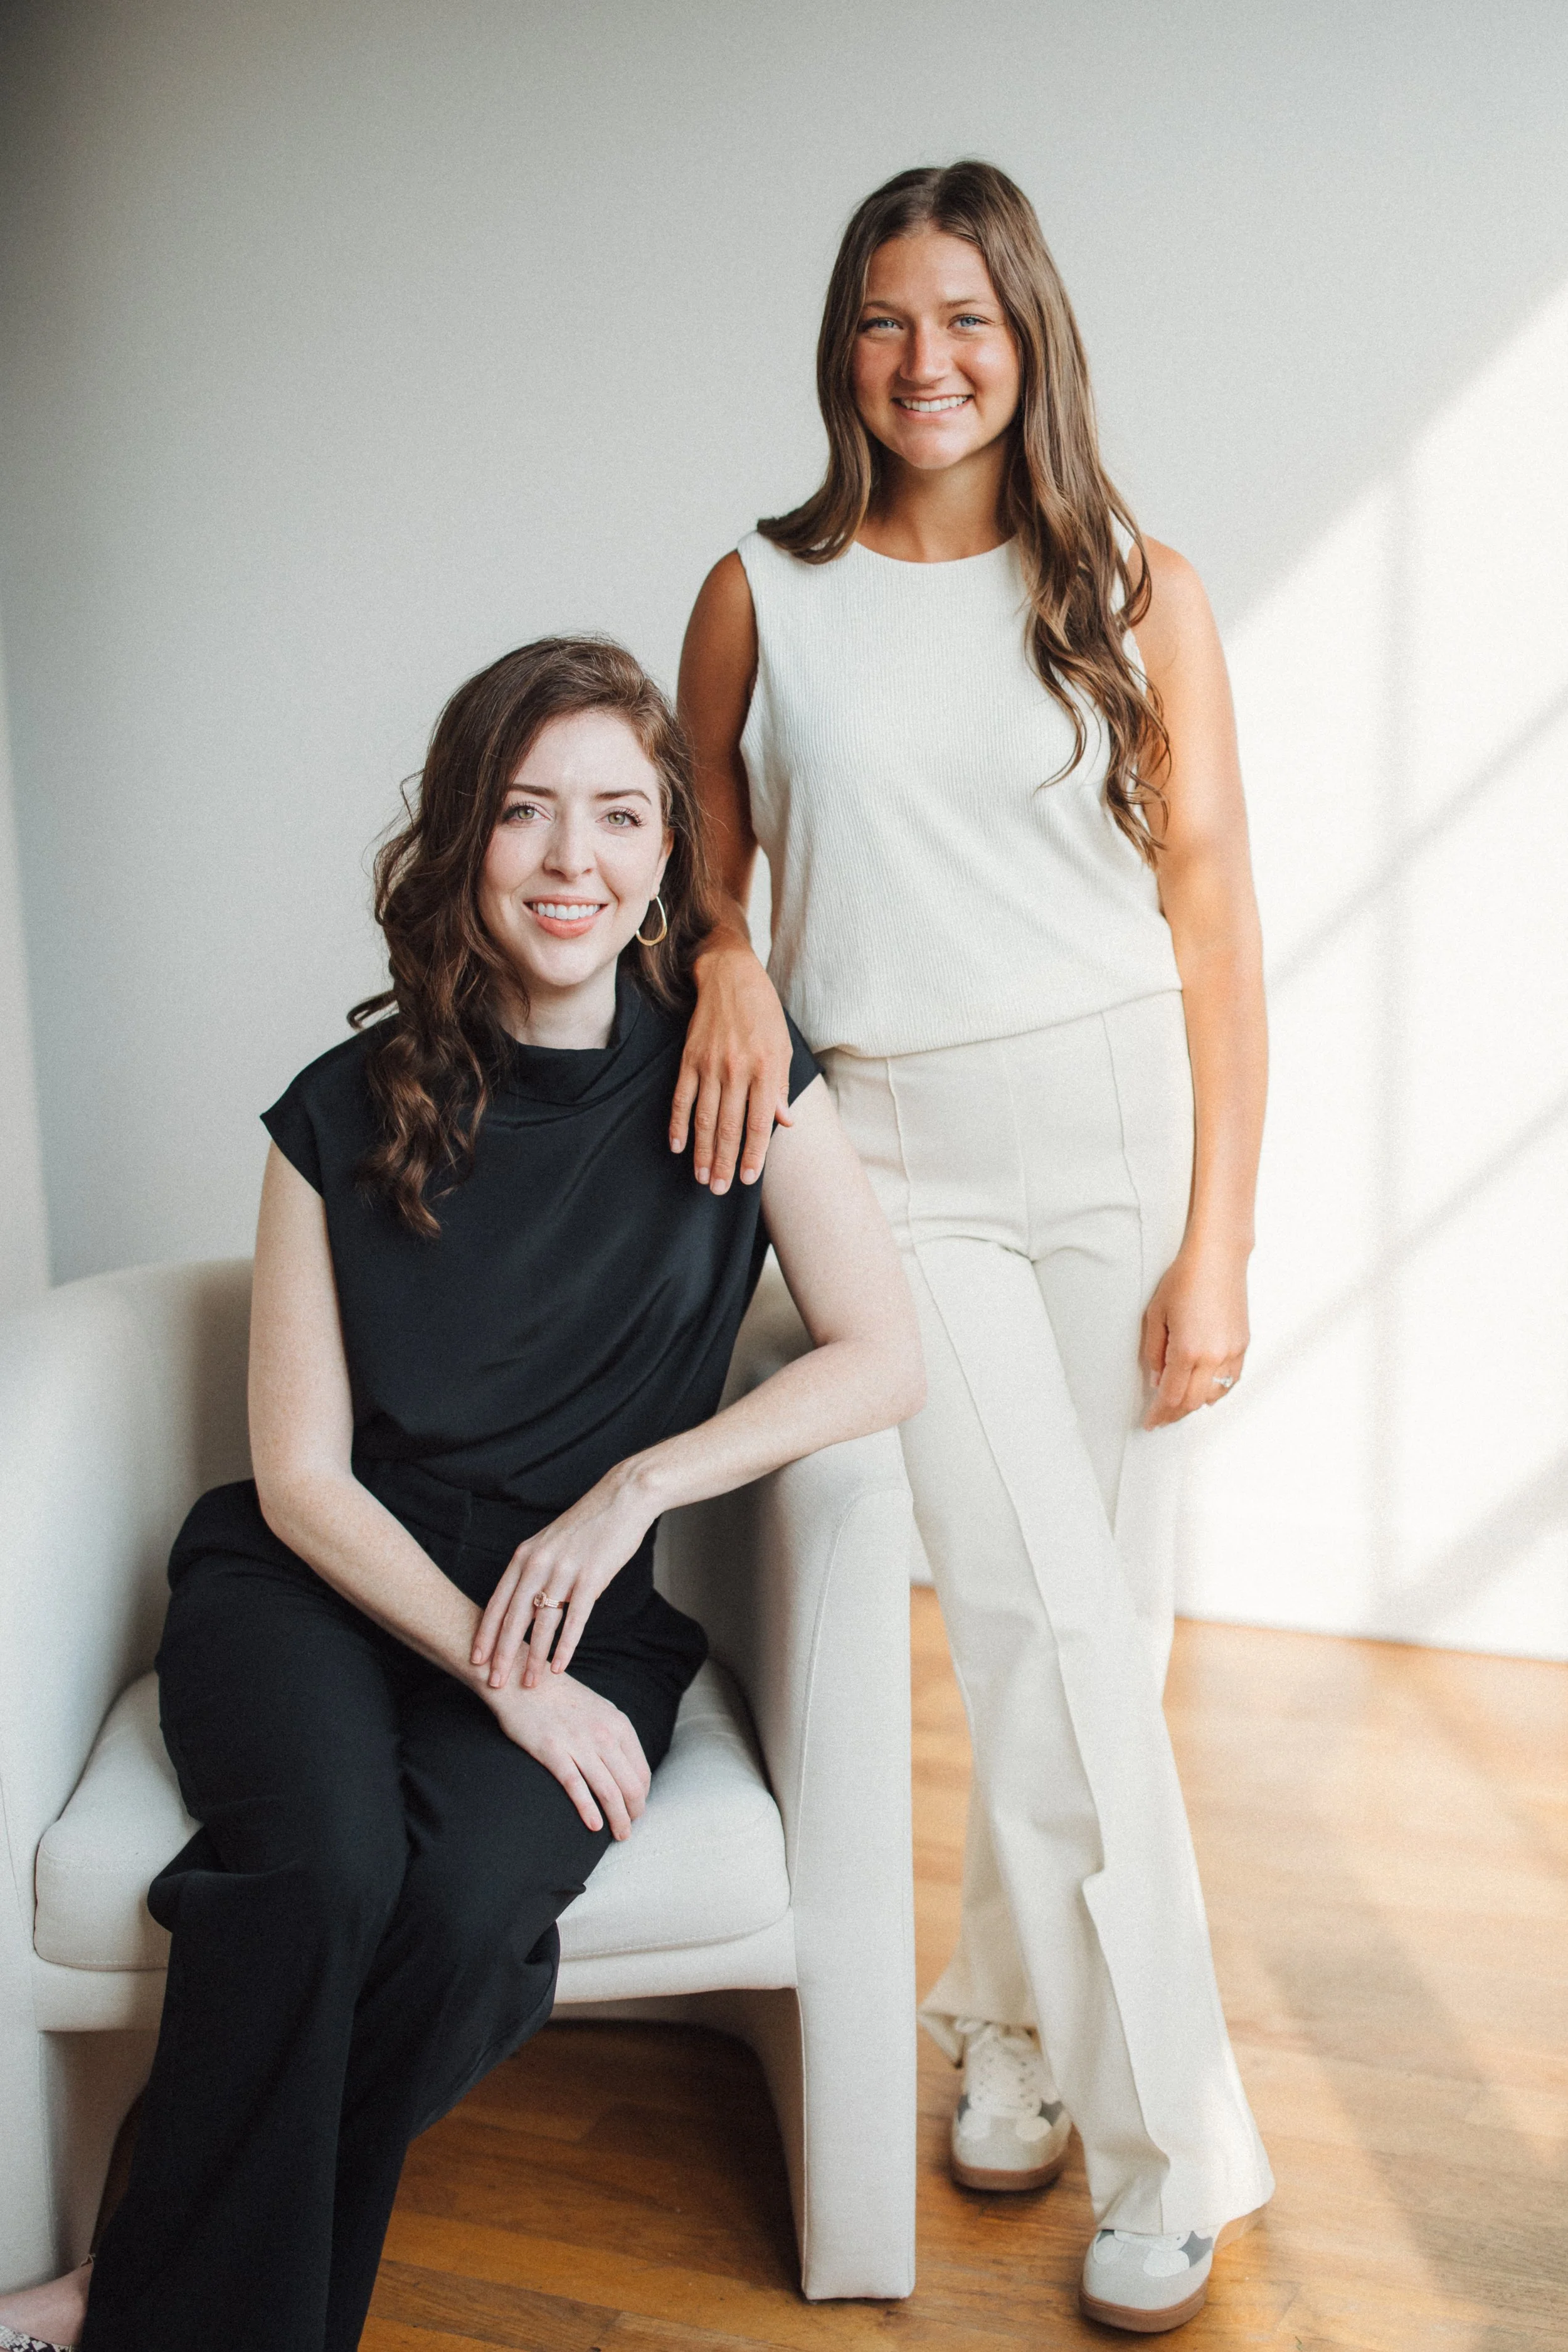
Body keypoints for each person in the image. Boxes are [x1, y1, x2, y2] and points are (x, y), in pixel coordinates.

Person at [0, 638, 921, 2352]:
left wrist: (638, 1486)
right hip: (319, 1591)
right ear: (460, 839)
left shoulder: (735, 1080)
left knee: (469, 1906)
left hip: (581, 1610)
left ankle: (130, 2289)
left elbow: (882, 1354)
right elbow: (297, 1478)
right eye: (523, 810)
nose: (571, 858)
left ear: (667, 855)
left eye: (619, 814)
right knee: (325, 1865)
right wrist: (497, 1670)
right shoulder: (336, 1109)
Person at [673, 160, 1275, 2334]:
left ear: (1027, 340)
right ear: (840, 347)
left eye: (965, 323)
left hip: (1118, 1128)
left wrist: (1217, 1239)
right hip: (892, 1145)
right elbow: (703, 869)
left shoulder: (1135, 585)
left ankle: (1007, 2032)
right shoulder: (759, 592)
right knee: (1043, 1643)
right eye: (881, 321)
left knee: (1098, 1638)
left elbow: (1212, 935)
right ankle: (1170, 2148)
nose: (923, 363)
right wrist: (727, 951)